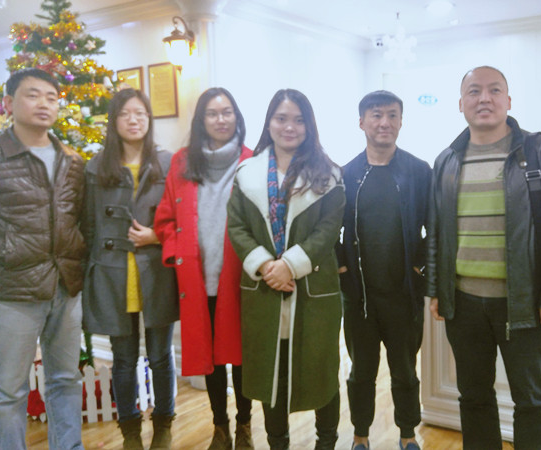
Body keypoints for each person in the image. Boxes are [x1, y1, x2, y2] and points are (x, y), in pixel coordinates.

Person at [425, 66, 541, 449]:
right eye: (474, 91)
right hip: (463, 304)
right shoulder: (447, 160)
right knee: (473, 397)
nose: (484, 98)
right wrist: (437, 290)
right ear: (460, 103)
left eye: (494, 90)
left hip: (524, 303)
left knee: (532, 401)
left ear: (508, 101)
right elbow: (437, 232)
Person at [0, 68, 86, 450]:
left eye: (52, 97)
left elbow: (80, 220)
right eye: (33, 95)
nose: (44, 103)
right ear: (9, 103)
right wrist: (2, 258)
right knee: (9, 390)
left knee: (66, 380)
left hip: (66, 288)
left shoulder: (73, 160)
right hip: (13, 291)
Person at [226, 89, 344, 450]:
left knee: (322, 371)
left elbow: (328, 229)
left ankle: (326, 443)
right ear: (269, 123)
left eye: (298, 120)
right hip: (264, 290)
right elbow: (237, 227)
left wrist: (290, 266)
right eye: (281, 118)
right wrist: (266, 265)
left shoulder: (329, 174)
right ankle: (278, 443)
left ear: (309, 125)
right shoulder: (246, 173)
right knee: (270, 373)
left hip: (313, 290)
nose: (289, 127)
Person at [155, 87, 255, 450]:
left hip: (241, 277)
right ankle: (220, 427)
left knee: (241, 358)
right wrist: (176, 251)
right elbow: (165, 218)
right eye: (212, 113)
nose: (220, 119)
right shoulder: (182, 163)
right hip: (197, 279)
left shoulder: (252, 161)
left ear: (236, 117)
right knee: (210, 358)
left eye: (227, 112)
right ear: (201, 121)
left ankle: (244, 425)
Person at [81, 88, 178, 450]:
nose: (133, 120)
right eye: (125, 114)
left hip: (156, 272)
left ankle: (164, 425)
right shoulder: (96, 166)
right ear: (114, 121)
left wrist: (157, 236)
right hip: (113, 274)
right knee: (123, 360)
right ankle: (131, 433)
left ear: (149, 119)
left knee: (161, 357)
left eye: (140, 113)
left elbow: (182, 220)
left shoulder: (168, 163)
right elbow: (89, 226)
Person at [337, 90, 431, 450]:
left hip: (403, 295)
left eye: (392, 115)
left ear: (401, 121)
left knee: (405, 372)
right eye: (376, 115)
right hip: (359, 297)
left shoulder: (419, 171)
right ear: (361, 122)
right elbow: (329, 230)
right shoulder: (346, 174)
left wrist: (419, 269)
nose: (384, 123)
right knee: (360, 373)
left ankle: (408, 436)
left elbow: (434, 229)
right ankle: (360, 436)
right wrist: (342, 270)